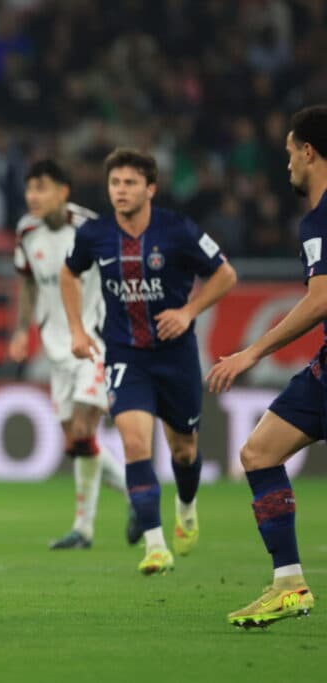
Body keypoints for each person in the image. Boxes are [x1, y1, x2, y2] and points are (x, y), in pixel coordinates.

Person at [60, 148, 237, 575]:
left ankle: (187, 506)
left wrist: (188, 312)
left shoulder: (178, 230)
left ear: (150, 188)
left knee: (184, 450)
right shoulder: (95, 235)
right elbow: (70, 274)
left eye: (130, 183)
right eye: (115, 183)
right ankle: (156, 546)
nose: (120, 191)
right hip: (125, 355)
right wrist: (78, 331)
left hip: (176, 358)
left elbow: (226, 274)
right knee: (136, 444)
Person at [207, 106, 327, 628]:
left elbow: (321, 298)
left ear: (308, 151)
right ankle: (289, 583)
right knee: (259, 452)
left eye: (288, 154)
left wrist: (251, 352)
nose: (287, 168)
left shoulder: (320, 220)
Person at [8, 159, 136, 550]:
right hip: (55, 349)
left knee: (83, 431)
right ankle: (137, 496)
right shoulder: (26, 231)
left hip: (95, 344)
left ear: (63, 191)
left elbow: (123, 277)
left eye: (41, 187)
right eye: (30, 188)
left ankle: (84, 528)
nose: (33, 196)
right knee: (77, 443)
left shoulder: (93, 229)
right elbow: (29, 282)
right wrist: (20, 330)